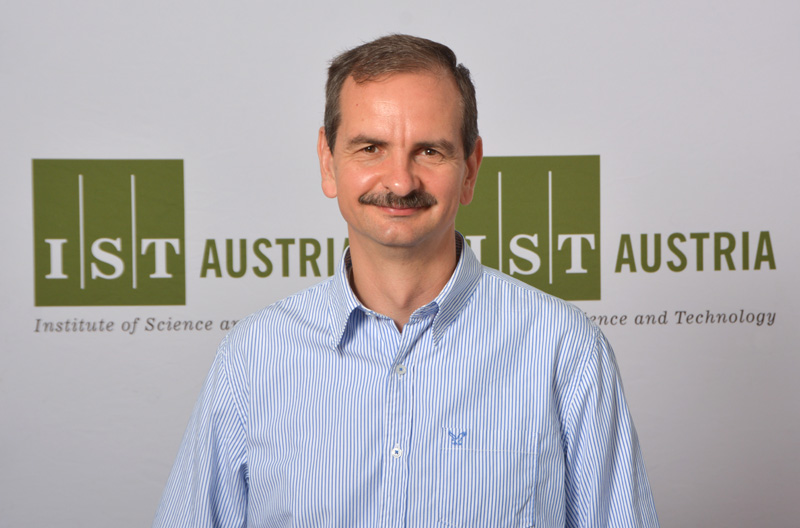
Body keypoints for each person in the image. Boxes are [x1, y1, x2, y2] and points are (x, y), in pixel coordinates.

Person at [154, 34, 659, 527]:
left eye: (430, 151)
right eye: (371, 147)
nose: (400, 181)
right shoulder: (253, 357)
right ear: (328, 161)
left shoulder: (563, 348)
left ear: (470, 169)